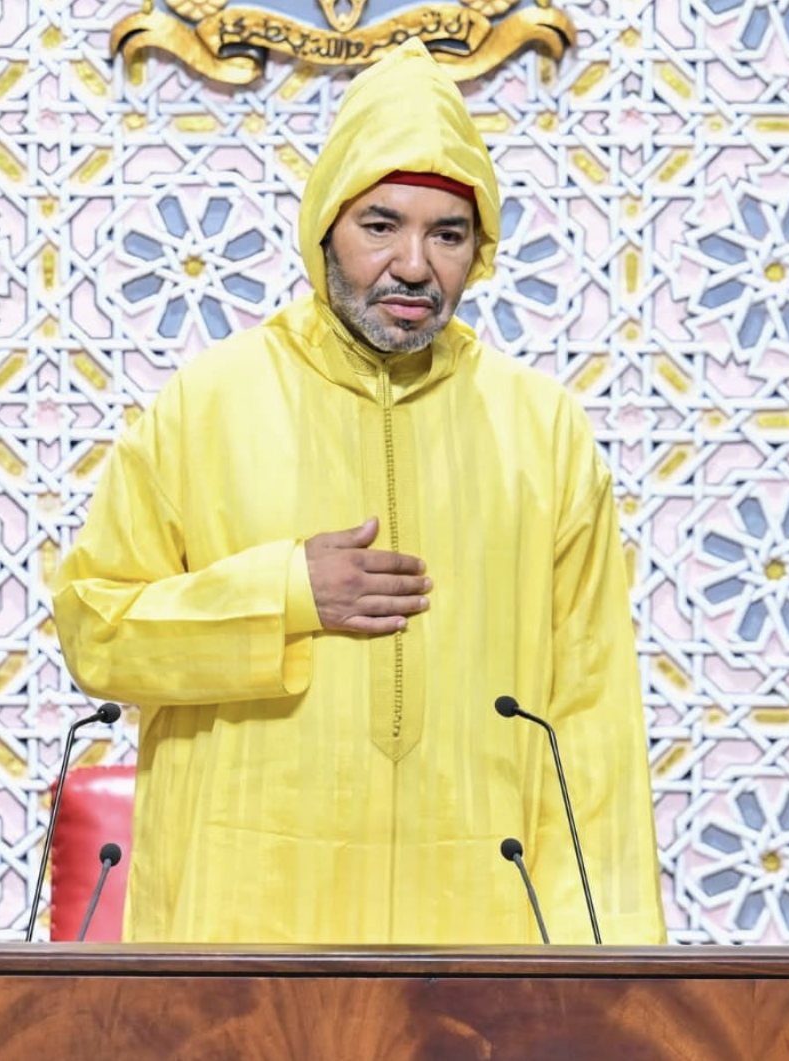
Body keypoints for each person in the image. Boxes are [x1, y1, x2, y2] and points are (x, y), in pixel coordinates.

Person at [52, 39, 665, 946]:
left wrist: (610, 969)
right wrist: (283, 595)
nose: (414, 264)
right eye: (381, 224)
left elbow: (592, 719)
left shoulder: (542, 432)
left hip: (478, 931)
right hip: (243, 926)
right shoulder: (208, 403)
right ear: (324, 228)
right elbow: (96, 629)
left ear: (479, 250)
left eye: (447, 233)